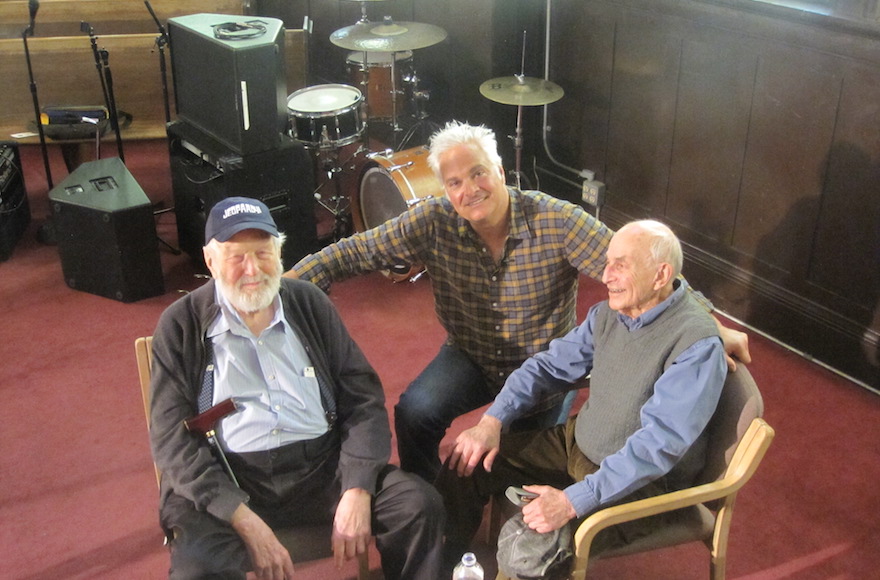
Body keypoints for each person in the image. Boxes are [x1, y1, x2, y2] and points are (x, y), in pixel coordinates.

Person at [285, 121, 750, 483]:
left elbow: (649, 269)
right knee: (414, 412)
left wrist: (708, 322)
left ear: (501, 171)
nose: (469, 190)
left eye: (478, 173)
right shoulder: (430, 221)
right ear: (443, 190)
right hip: (468, 355)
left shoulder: (558, 221)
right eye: (453, 183)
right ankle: (425, 499)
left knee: (516, 467)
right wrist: (281, 287)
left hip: (546, 368)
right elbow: (351, 252)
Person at [148, 197, 445, 580]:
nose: (252, 269)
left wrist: (357, 487)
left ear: (280, 252)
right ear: (210, 261)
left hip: (322, 468)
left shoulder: (309, 304)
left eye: (263, 253)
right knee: (198, 568)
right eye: (236, 257)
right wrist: (242, 518)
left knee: (419, 507)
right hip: (231, 474)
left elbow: (362, 400)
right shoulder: (180, 326)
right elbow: (171, 441)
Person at [435, 220, 728, 570]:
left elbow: (657, 447)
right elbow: (545, 366)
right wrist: (492, 419)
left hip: (644, 485)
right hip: (580, 443)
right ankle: (440, 564)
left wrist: (573, 500)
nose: (606, 276)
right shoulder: (608, 314)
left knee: (529, 549)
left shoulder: (696, 344)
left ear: (660, 275)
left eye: (621, 265)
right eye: (607, 264)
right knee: (465, 462)